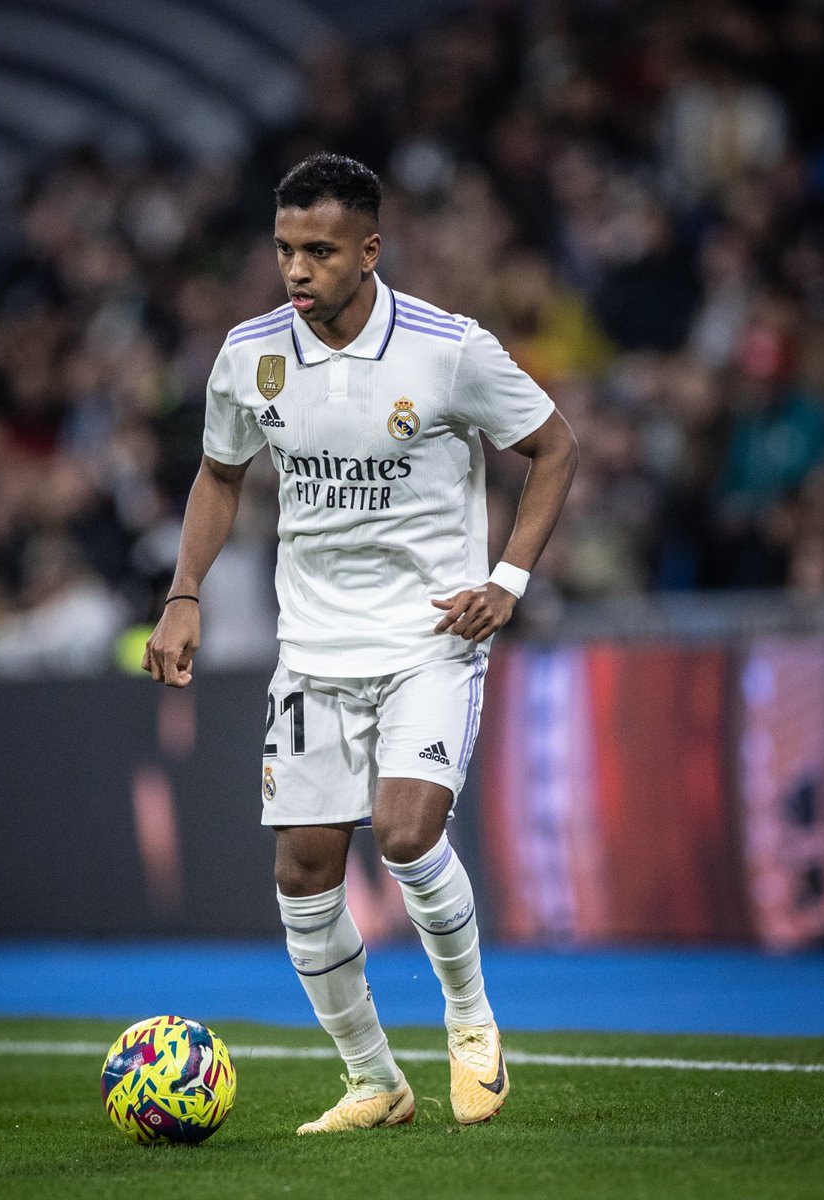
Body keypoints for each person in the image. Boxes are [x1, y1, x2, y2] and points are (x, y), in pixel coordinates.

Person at [143, 153, 578, 1133]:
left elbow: (554, 446)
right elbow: (220, 474)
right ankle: (374, 1081)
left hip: (429, 637)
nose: (298, 271)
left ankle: (471, 1024)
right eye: (287, 250)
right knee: (302, 867)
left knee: (410, 831)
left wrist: (507, 579)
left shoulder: (447, 348)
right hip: (313, 653)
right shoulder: (250, 354)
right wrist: (185, 592)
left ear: (370, 251)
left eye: (321, 252)